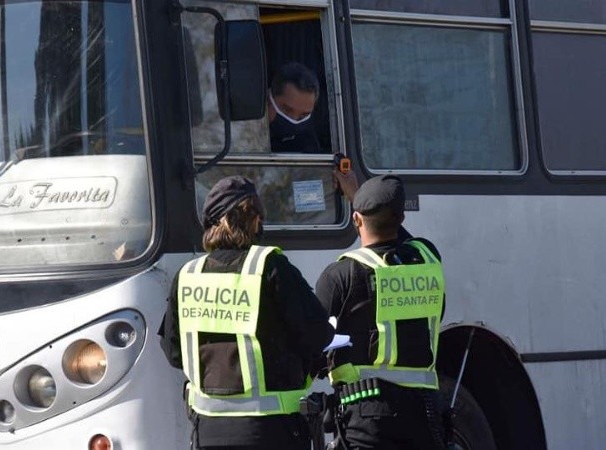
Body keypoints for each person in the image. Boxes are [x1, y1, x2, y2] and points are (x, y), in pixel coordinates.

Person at [159, 175, 334, 450]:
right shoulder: (270, 266)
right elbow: (318, 334)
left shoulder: (188, 275)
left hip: (208, 432)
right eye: (258, 215)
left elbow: (173, 353)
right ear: (252, 219)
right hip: (271, 431)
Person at [315, 175, 447, 450]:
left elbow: (315, 339)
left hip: (366, 416)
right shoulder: (427, 259)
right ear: (401, 218)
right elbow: (402, 240)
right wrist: (365, 201)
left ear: (356, 220)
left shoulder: (341, 275)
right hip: (424, 414)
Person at [268, 62, 323, 153]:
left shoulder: (311, 149)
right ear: (269, 99)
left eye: (303, 116)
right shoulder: (246, 138)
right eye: (287, 110)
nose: (294, 121)